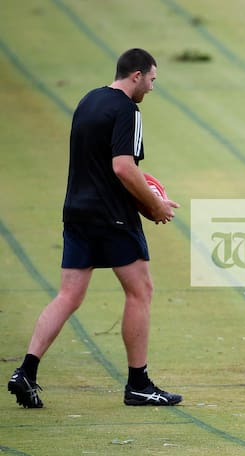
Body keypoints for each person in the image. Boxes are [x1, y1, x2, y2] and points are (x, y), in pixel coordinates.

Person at [7, 49, 182, 409]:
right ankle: (138, 383)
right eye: (151, 79)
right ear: (136, 75)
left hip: (76, 211)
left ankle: (25, 370)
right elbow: (123, 167)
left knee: (68, 295)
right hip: (111, 216)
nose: (151, 87)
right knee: (141, 291)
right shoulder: (127, 110)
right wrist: (155, 205)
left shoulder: (89, 100)